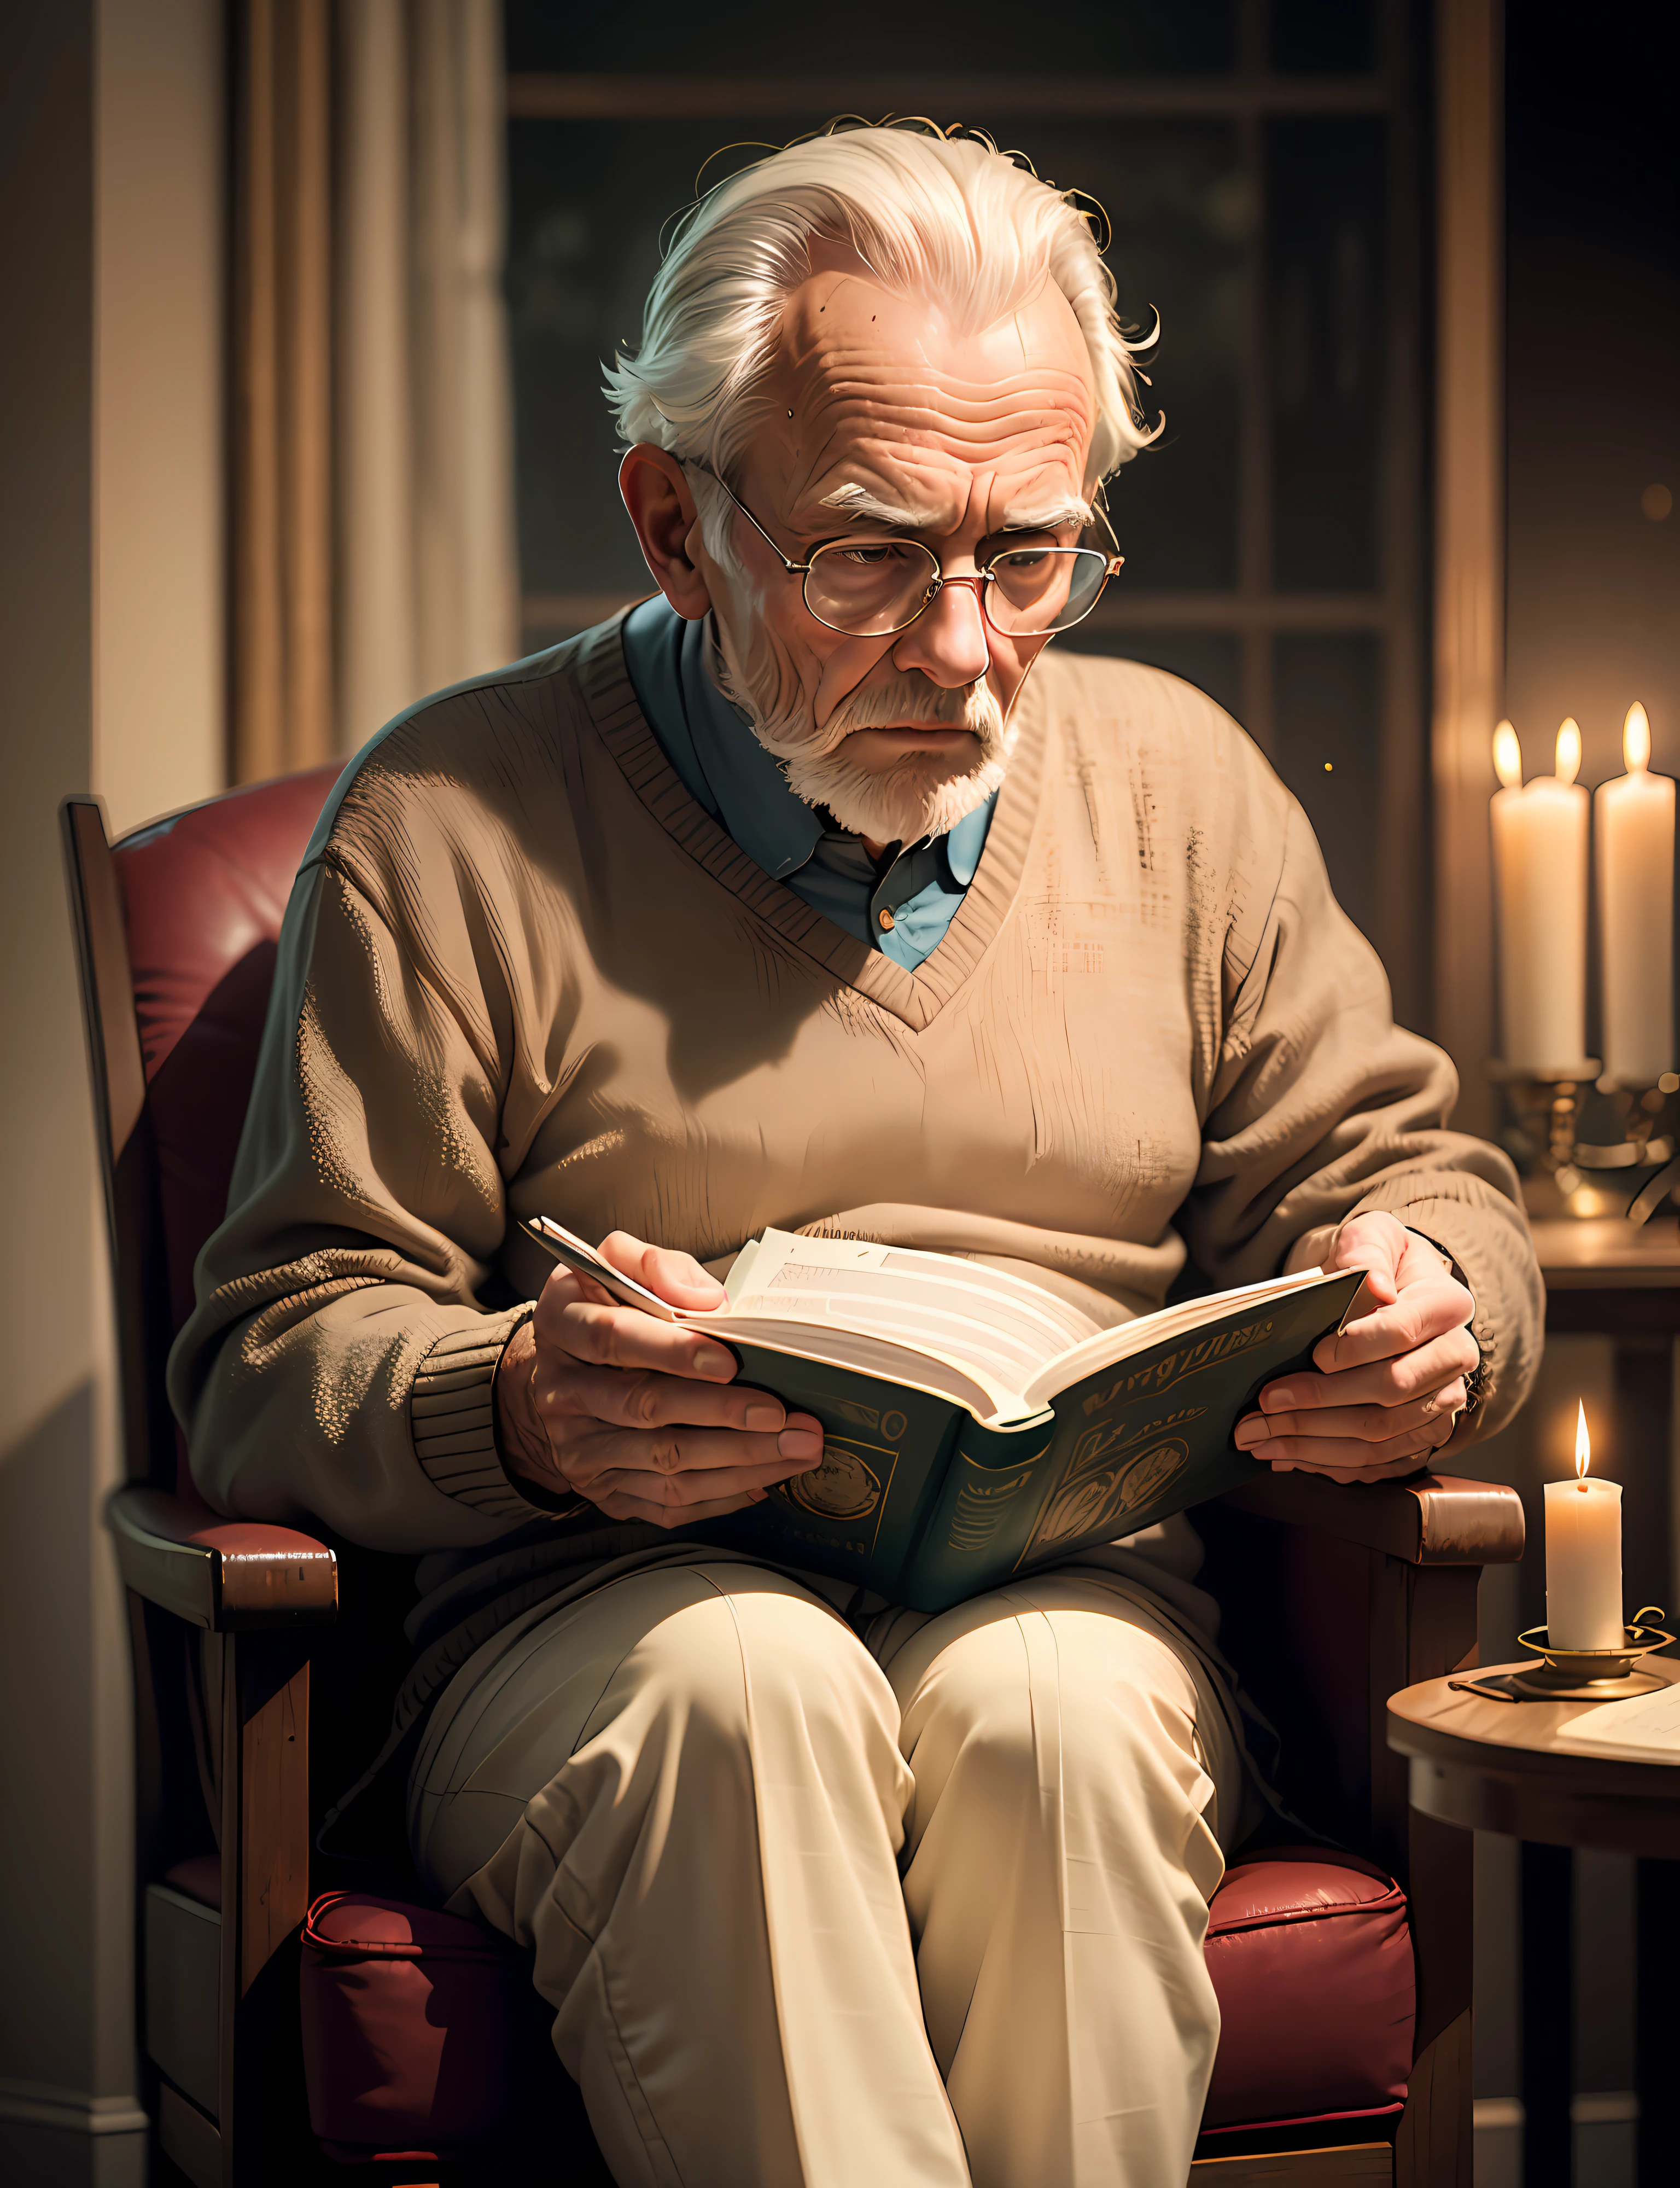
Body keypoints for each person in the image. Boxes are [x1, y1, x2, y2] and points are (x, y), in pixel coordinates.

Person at [172, 126, 1541, 2188]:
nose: (970, 645)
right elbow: (271, 1347)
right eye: (870, 555)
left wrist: (1439, 1306)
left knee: (1060, 1723)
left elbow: (1425, 1184)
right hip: (599, 1631)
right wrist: (523, 1408)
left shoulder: (1184, 790)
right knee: (748, 1692)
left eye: (1033, 553)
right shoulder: (454, 821)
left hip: (1079, 1594)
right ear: (672, 522)